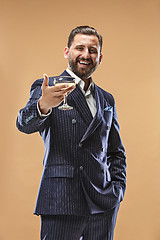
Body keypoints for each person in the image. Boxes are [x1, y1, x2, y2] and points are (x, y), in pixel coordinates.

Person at [16, 25, 126, 240]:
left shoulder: (107, 99)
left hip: (103, 202)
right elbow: (24, 124)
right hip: (62, 199)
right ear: (67, 52)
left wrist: (117, 188)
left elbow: (116, 150)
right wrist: (43, 105)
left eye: (92, 50)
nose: (86, 55)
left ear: (100, 57)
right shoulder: (47, 87)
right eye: (80, 48)